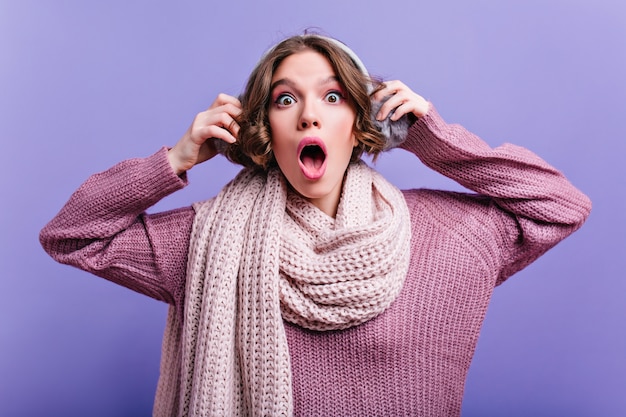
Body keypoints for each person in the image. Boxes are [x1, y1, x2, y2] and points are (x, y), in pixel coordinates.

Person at [40, 34, 591, 417]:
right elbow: (72, 235)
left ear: (361, 123)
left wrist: (433, 138)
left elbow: (561, 204)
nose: (309, 114)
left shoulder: (451, 233)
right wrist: (176, 158)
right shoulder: (205, 243)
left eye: (332, 96)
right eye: (286, 100)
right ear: (264, 130)